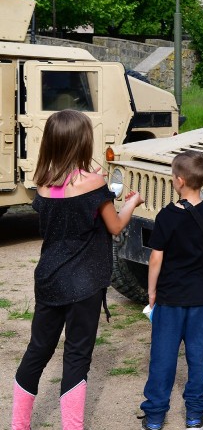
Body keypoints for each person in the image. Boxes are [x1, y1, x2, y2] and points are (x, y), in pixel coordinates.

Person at [11, 109, 144, 430]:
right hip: (84, 283)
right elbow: (114, 226)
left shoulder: (42, 184)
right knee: (76, 356)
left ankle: (19, 425)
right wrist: (131, 202)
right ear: (82, 142)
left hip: (49, 279)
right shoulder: (95, 183)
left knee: (38, 351)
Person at [139, 150, 203, 430]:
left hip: (170, 297)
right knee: (197, 358)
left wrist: (152, 292)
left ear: (178, 181)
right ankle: (194, 415)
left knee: (162, 358)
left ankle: (154, 417)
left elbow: (156, 258)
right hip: (201, 298)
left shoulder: (166, 216)